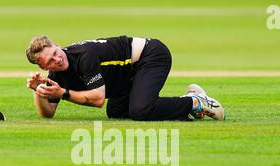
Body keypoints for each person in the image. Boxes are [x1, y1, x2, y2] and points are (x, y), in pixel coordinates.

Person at [25, 35, 225, 121]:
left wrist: (63, 93)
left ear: (58, 45)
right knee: (117, 111)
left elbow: (97, 100)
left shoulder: (84, 56)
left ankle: (195, 103)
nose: (57, 60)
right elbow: (48, 113)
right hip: (129, 74)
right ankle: (186, 104)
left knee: (141, 110)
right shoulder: (56, 75)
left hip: (151, 55)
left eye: (55, 53)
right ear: (43, 67)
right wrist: (39, 90)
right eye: (49, 62)